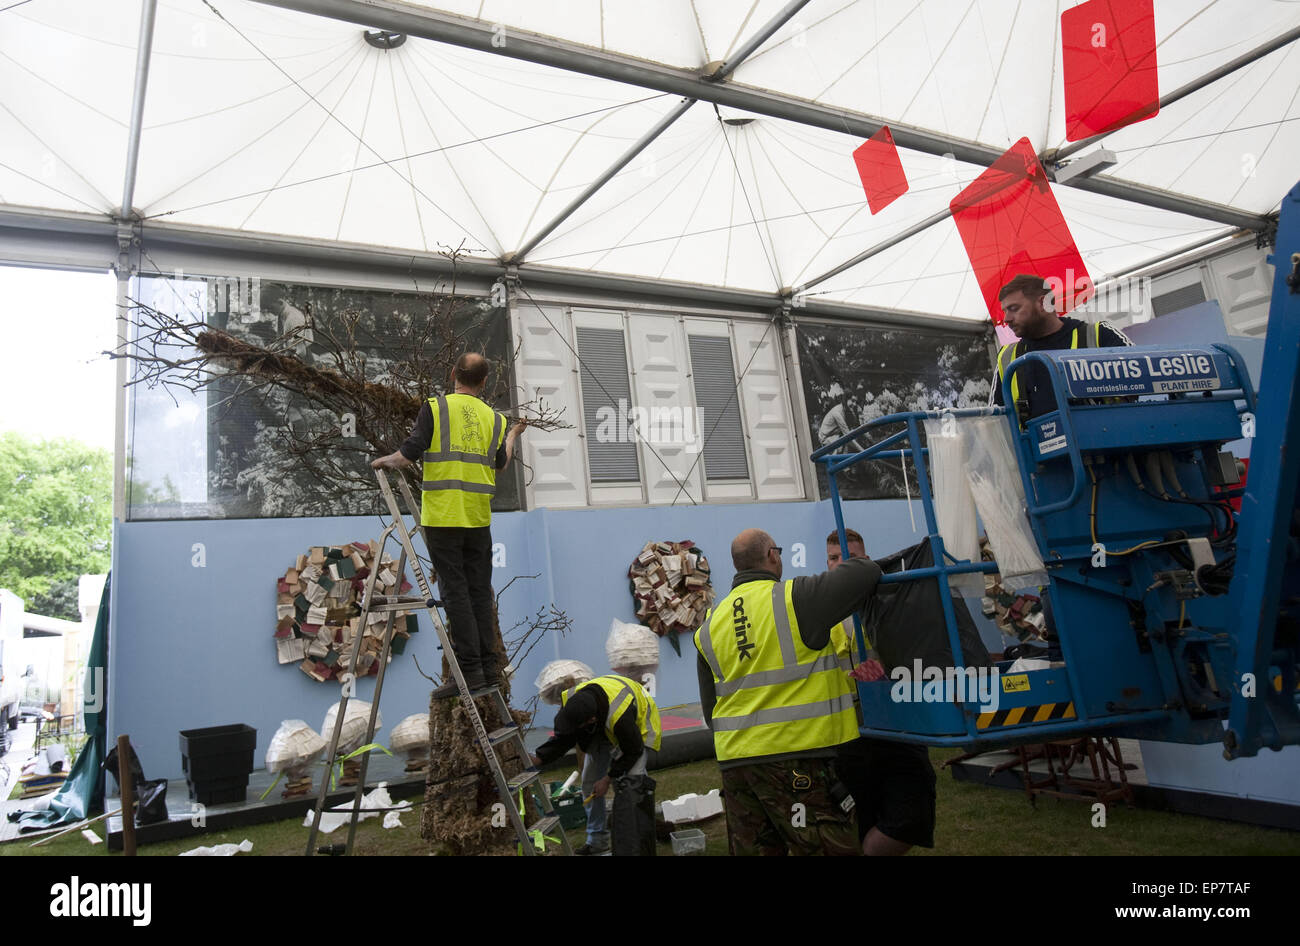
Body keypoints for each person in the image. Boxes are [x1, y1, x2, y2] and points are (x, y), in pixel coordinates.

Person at [695, 528, 881, 856]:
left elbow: (711, 709)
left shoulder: (710, 625)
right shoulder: (796, 598)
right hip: (800, 758)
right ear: (772, 556)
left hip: (736, 766)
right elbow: (866, 572)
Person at [371, 352, 525, 698]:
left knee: (455, 591)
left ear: (453, 373)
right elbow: (501, 464)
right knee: (479, 593)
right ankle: (487, 667)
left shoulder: (436, 408)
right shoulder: (495, 419)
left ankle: (468, 672)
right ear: (484, 382)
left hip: (443, 516)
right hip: (477, 519)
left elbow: (408, 454)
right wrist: (515, 433)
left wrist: (384, 461)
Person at [827, 528, 937, 857]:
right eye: (834, 559)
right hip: (850, 732)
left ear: (868, 561)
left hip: (897, 725)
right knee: (858, 816)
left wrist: (888, 673)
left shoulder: (891, 604)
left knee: (911, 815)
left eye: (853, 559)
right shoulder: (819, 616)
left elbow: (918, 654)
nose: (842, 566)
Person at [530, 673, 662, 855]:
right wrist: (540, 757)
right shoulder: (573, 702)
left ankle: (639, 844)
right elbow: (565, 738)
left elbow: (633, 751)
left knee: (631, 786)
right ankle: (597, 842)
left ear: (590, 721)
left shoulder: (619, 716)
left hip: (637, 730)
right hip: (602, 728)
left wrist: (608, 779)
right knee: (590, 784)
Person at [993, 273, 1131, 422]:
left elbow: (1144, 374)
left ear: (1042, 303)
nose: (1007, 319)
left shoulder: (1099, 334)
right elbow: (993, 421)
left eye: (1014, 308)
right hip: (1034, 444)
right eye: (1005, 311)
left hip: (1108, 439)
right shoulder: (1007, 357)